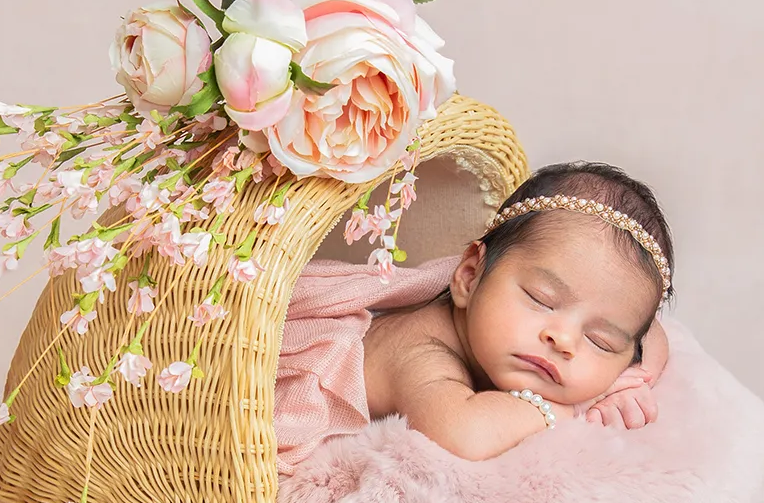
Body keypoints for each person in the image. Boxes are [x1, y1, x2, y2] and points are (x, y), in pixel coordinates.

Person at [275, 161, 674, 469]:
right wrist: (567, 407)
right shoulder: (422, 351)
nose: (565, 340)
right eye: (541, 299)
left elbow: (649, 334)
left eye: (600, 341)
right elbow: (461, 435)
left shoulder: (508, 330)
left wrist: (628, 381)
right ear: (469, 275)